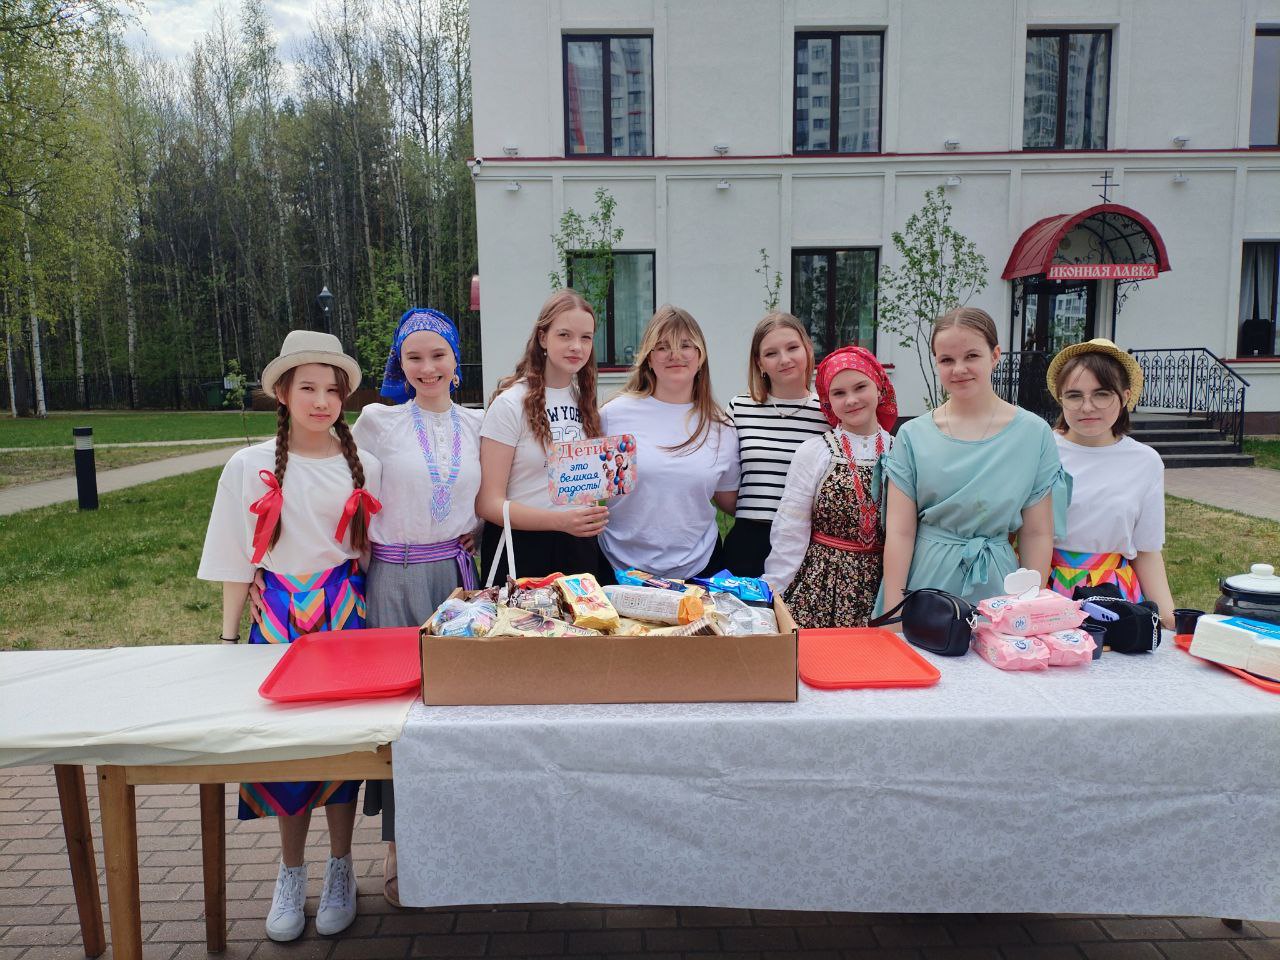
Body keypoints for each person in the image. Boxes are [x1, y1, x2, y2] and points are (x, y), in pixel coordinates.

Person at [197, 331, 382, 942]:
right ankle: (290, 870)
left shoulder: (365, 466)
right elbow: (234, 557)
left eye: (333, 390)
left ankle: (340, 867)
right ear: (282, 393)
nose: (321, 401)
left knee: (340, 745)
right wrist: (229, 642)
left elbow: (370, 554)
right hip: (276, 620)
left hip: (343, 617)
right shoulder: (247, 467)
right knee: (285, 747)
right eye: (308, 388)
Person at [352, 308, 483, 907]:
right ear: (399, 364)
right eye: (414, 357)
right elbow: (345, 492)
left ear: (456, 361)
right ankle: (398, 841)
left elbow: (492, 494)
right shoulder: (378, 422)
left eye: (438, 356)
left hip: (457, 581)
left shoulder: (478, 423)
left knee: (455, 709)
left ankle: (456, 836)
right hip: (395, 575)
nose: (427, 368)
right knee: (399, 714)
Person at [877, 307, 1069, 614]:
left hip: (1001, 588)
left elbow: (1036, 532)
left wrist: (1028, 608)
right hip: (925, 584)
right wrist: (895, 612)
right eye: (947, 360)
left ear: (995, 355)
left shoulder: (1034, 434)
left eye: (972, 356)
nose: (959, 369)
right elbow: (900, 532)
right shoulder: (912, 435)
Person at [599, 305, 740, 579]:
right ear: (649, 359)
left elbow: (730, 500)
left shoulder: (722, 428)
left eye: (685, 345)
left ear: (700, 356)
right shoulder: (613, 416)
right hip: (619, 569)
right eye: (663, 347)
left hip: (698, 570)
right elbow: (585, 488)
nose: (675, 355)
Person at [476, 290, 608, 581]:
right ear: (543, 338)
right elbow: (488, 503)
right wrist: (559, 521)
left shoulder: (585, 401)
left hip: (577, 548)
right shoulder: (510, 404)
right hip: (521, 549)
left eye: (586, 337)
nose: (576, 346)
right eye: (564, 335)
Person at [764, 346, 897, 628]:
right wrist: (774, 590)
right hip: (822, 585)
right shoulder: (816, 452)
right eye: (839, 393)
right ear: (827, 401)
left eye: (860, 387)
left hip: (884, 586)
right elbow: (791, 528)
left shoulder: (901, 452)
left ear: (879, 388)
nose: (851, 400)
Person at [1045, 338, 1175, 627]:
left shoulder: (1145, 461)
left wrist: (1169, 619)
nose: (1087, 407)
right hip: (1047, 591)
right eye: (1074, 395)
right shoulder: (1042, 450)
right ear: (1060, 398)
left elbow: (1146, 550)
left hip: (1115, 598)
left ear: (1125, 396)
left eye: (1102, 394)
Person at [723, 313, 828, 576]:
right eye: (771, 353)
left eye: (792, 348)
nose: (784, 359)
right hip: (749, 543)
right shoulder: (739, 408)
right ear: (759, 363)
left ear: (808, 349)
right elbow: (724, 483)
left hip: (808, 545)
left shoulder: (828, 413)